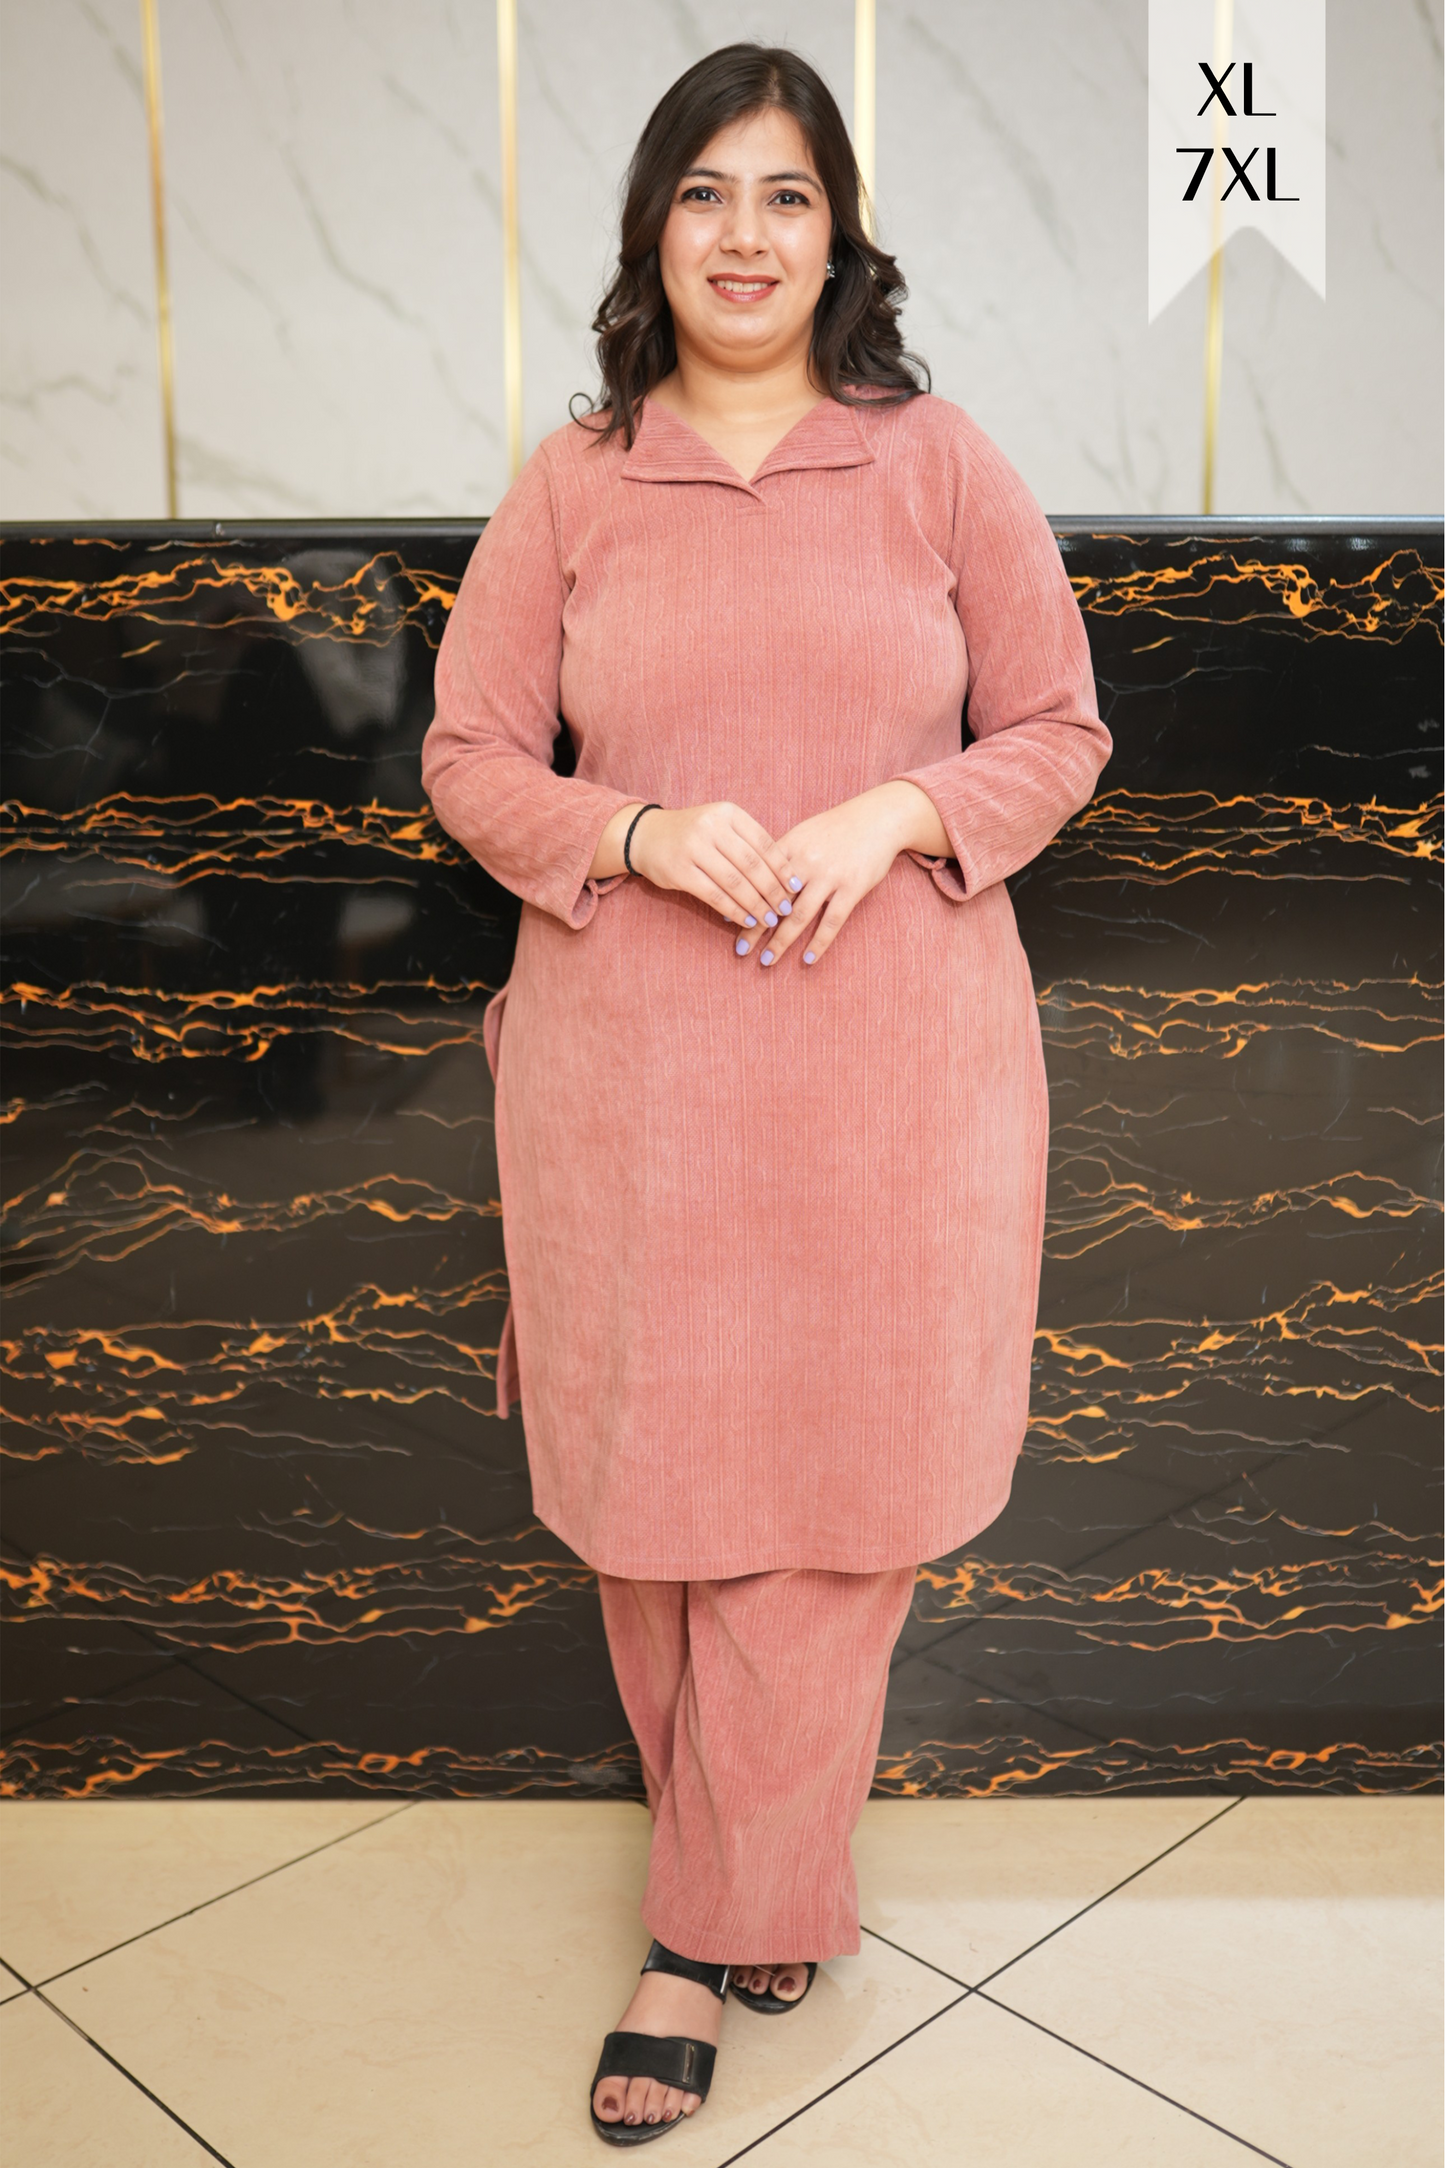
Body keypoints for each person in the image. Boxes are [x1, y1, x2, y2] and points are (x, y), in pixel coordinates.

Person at [421, 42, 1110, 2146]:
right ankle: (772, 1877)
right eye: (705, 194)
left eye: (785, 195)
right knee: (655, 1488)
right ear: (654, 231)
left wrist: (898, 805)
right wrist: (631, 832)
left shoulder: (936, 463)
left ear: (838, 237)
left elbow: (1061, 729)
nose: (744, 235)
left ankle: (700, 1934)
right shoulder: (573, 483)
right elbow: (468, 759)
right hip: (630, 1077)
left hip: (888, 1074)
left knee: (828, 1494)